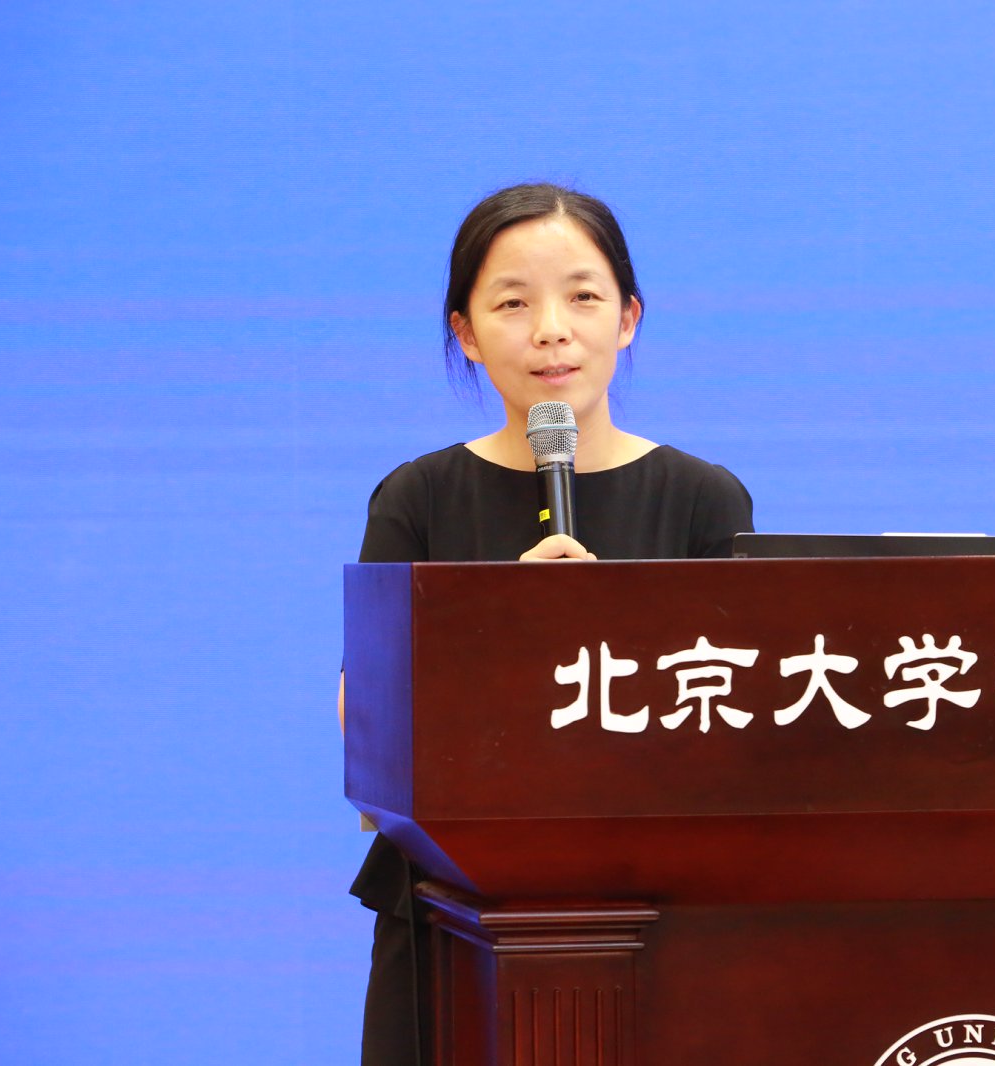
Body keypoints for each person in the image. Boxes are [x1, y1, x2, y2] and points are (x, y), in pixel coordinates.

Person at [344, 182, 754, 1064]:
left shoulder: (703, 499)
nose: (551, 331)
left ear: (629, 318)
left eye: (582, 297)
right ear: (465, 332)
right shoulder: (417, 499)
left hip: (659, 918)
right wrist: (502, 633)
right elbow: (364, 722)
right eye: (513, 304)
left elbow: (736, 726)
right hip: (447, 913)